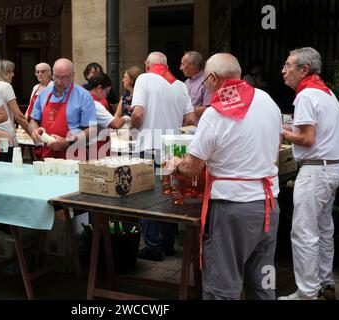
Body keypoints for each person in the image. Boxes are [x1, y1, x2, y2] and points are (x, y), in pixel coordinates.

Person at [170, 53, 281, 300]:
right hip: (268, 206)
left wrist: (177, 165)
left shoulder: (214, 114)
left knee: (223, 286)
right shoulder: (267, 101)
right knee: (263, 282)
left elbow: (192, 167)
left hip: (232, 212)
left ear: (211, 78)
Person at [278, 47, 339, 300]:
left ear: (304, 69)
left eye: (288, 65)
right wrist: (291, 126)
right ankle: (325, 284)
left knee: (304, 232)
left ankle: (306, 294)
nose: (283, 71)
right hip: (333, 167)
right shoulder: (326, 92)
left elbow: (306, 139)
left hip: (316, 170)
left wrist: (283, 132)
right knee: (323, 229)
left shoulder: (306, 95)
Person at [131, 51, 195, 261]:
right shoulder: (180, 85)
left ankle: (152, 247)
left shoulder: (144, 78)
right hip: (174, 149)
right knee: (170, 195)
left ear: (148, 64)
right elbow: (191, 119)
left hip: (149, 145)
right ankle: (168, 244)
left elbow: (138, 113)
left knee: (148, 196)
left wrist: (133, 129)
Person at [30, 58, 97, 161]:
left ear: (72, 75)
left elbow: (92, 130)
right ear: (52, 74)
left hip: (74, 155)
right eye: (56, 77)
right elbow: (34, 120)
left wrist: (67, 142)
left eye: (64, 78)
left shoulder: (84, 96)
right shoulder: (43, 94)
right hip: (48, 155)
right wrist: (34, 130)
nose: (59, 82)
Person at [0, 59, 31, 162]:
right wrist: (33, 135)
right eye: (10, 72)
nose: (13, 74)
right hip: (6, 138)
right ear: (2, 72)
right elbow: (19, 116)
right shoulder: (5, 86)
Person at [86, 72, 131, 158]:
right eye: (106, 92)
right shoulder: (95, 104)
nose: (106, 96)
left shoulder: (84, 99)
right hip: (97, 148)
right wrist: (128, 116)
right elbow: (116, 124)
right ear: (99, 88)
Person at [180, 51, 211, 124]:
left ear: (192, 65)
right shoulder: (186, 82)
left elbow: (209, 109)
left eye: (183, 64)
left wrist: (187, 111)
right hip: (185, 128)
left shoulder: (206, 82)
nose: (180, 68)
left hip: (199, 128)